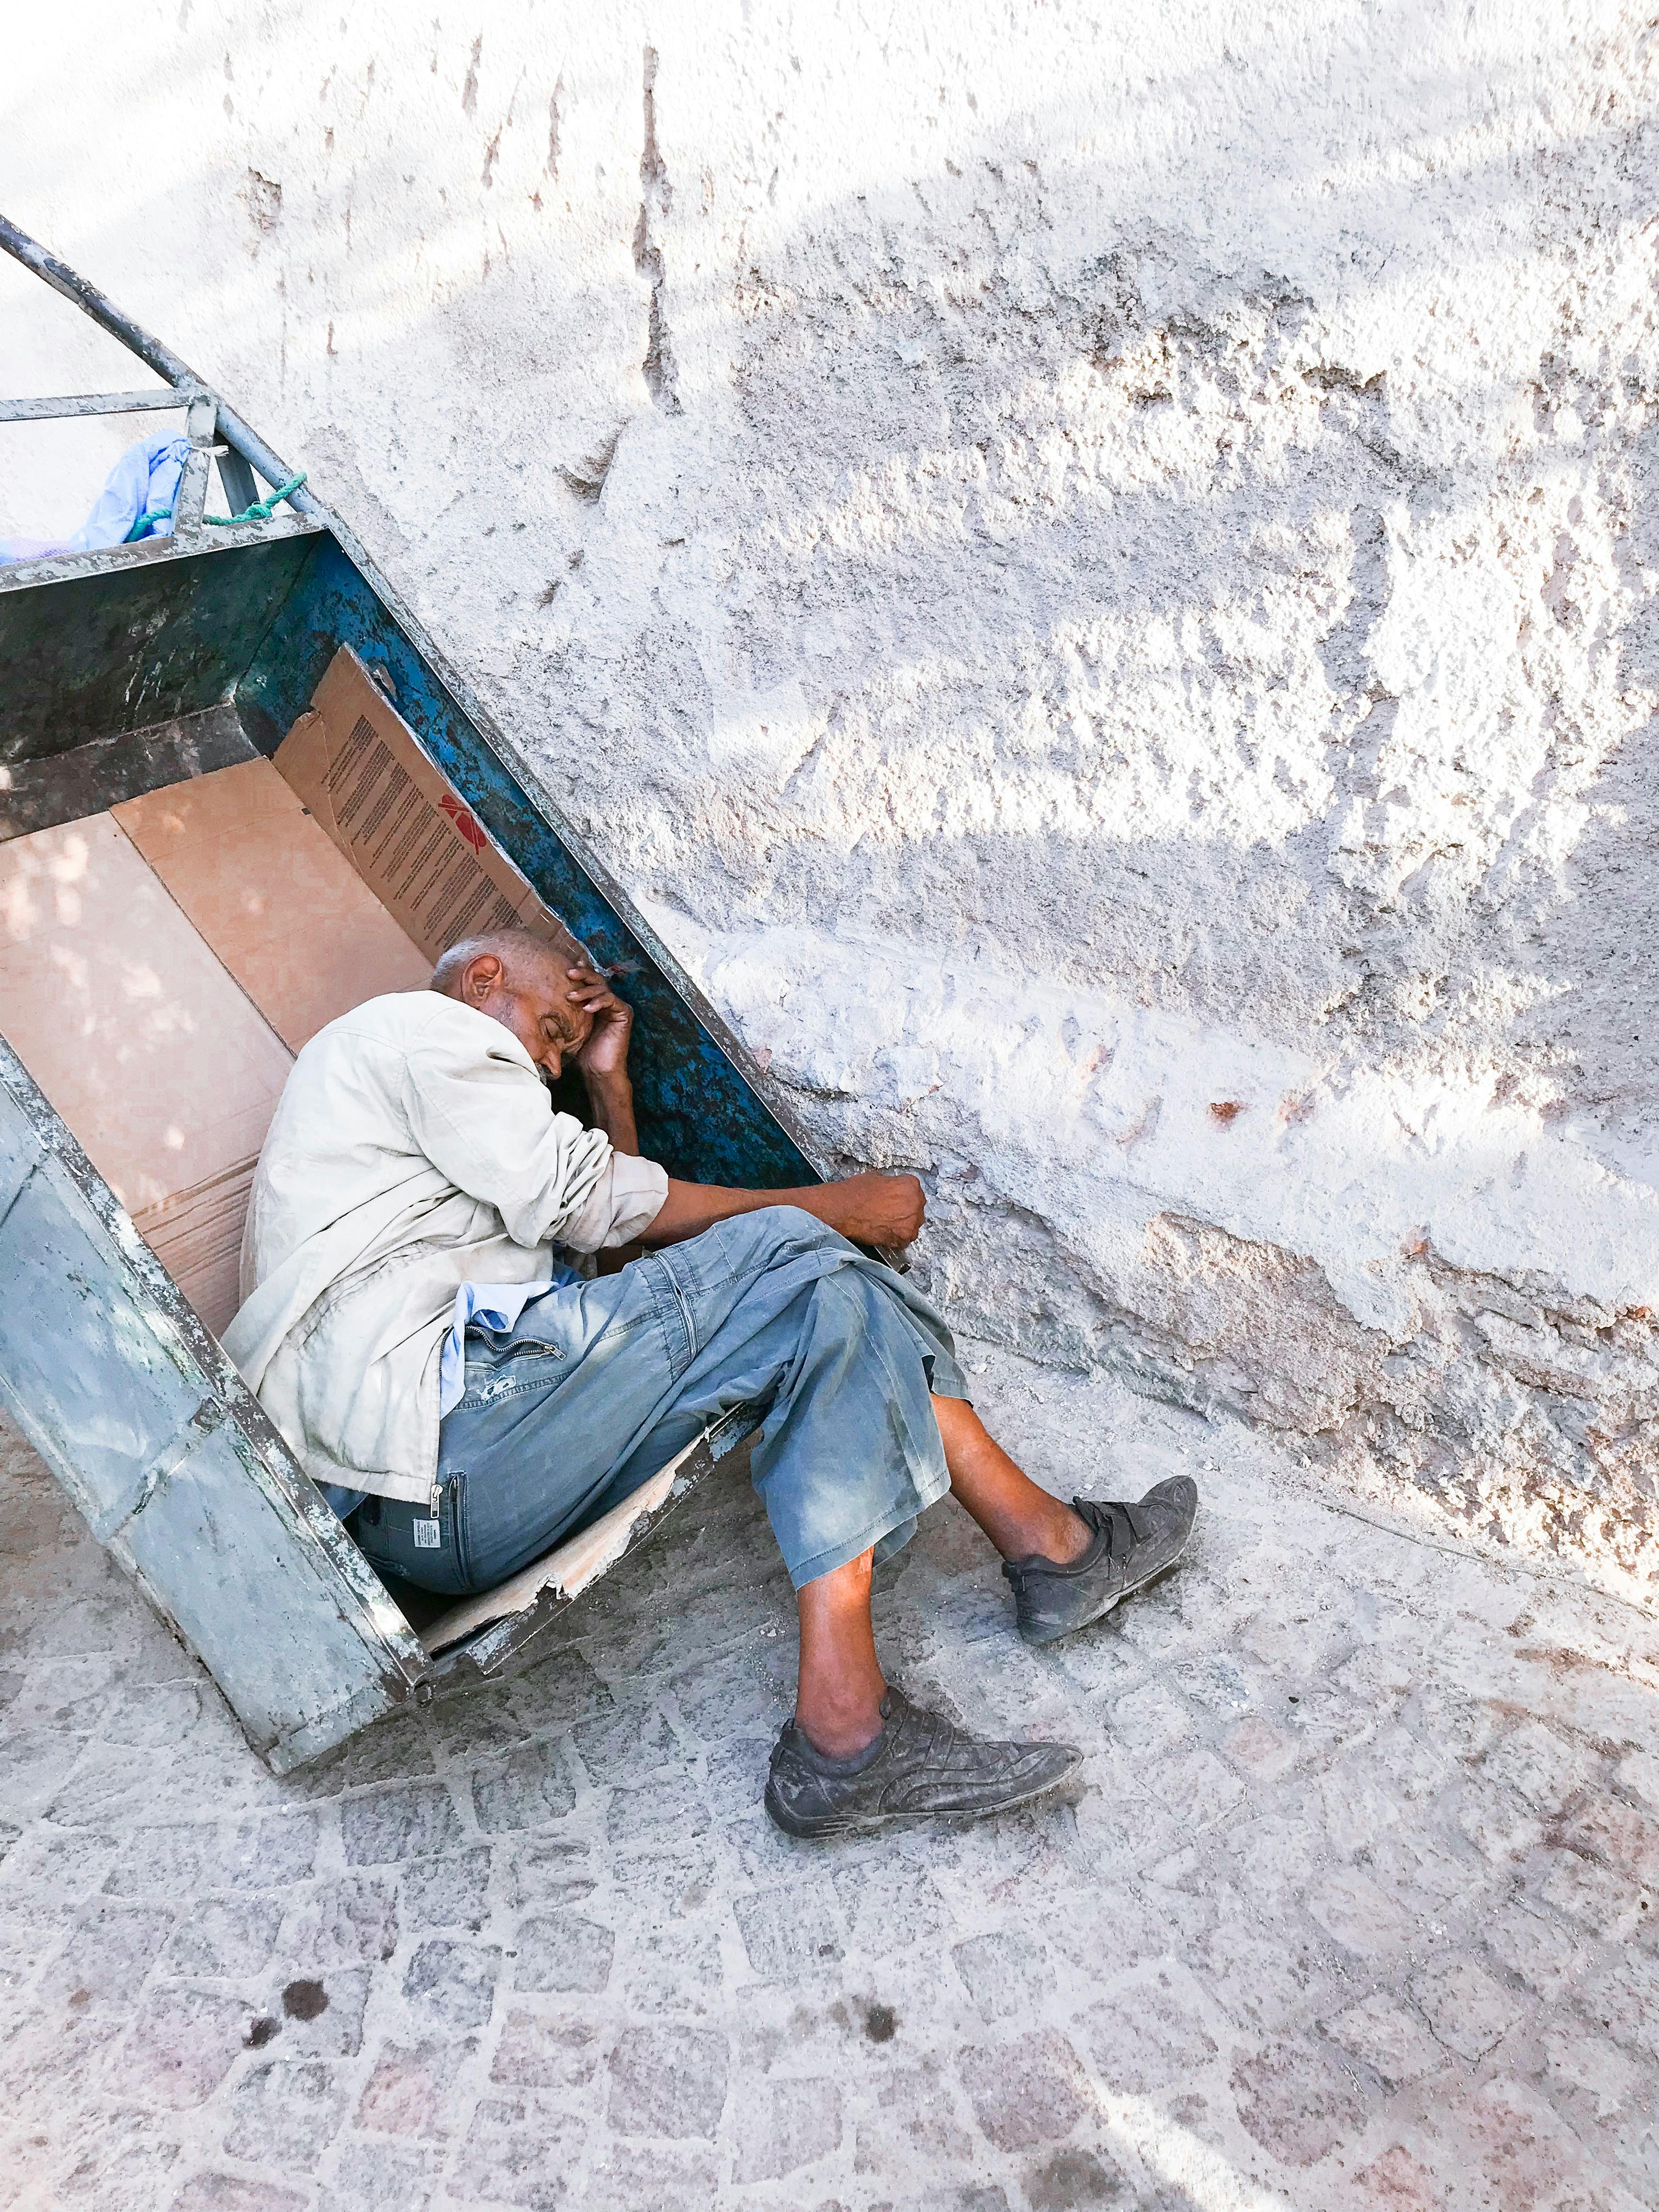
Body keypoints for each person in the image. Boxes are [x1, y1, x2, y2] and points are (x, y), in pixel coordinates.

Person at [225, 928, 1198, 1837]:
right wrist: (829, 1205)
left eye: (568, 1049)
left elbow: (610, 1309)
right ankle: (1020, 1584)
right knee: (794, 1246)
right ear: (485, 980)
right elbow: (594, 1205)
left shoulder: (439, 1152)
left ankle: (901, 1687)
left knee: (826, 1296)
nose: (555, 1061)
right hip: (438, 1447)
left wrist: (610, 1091)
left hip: (446, 1491)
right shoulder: (418, 1029)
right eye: (556, 1029)